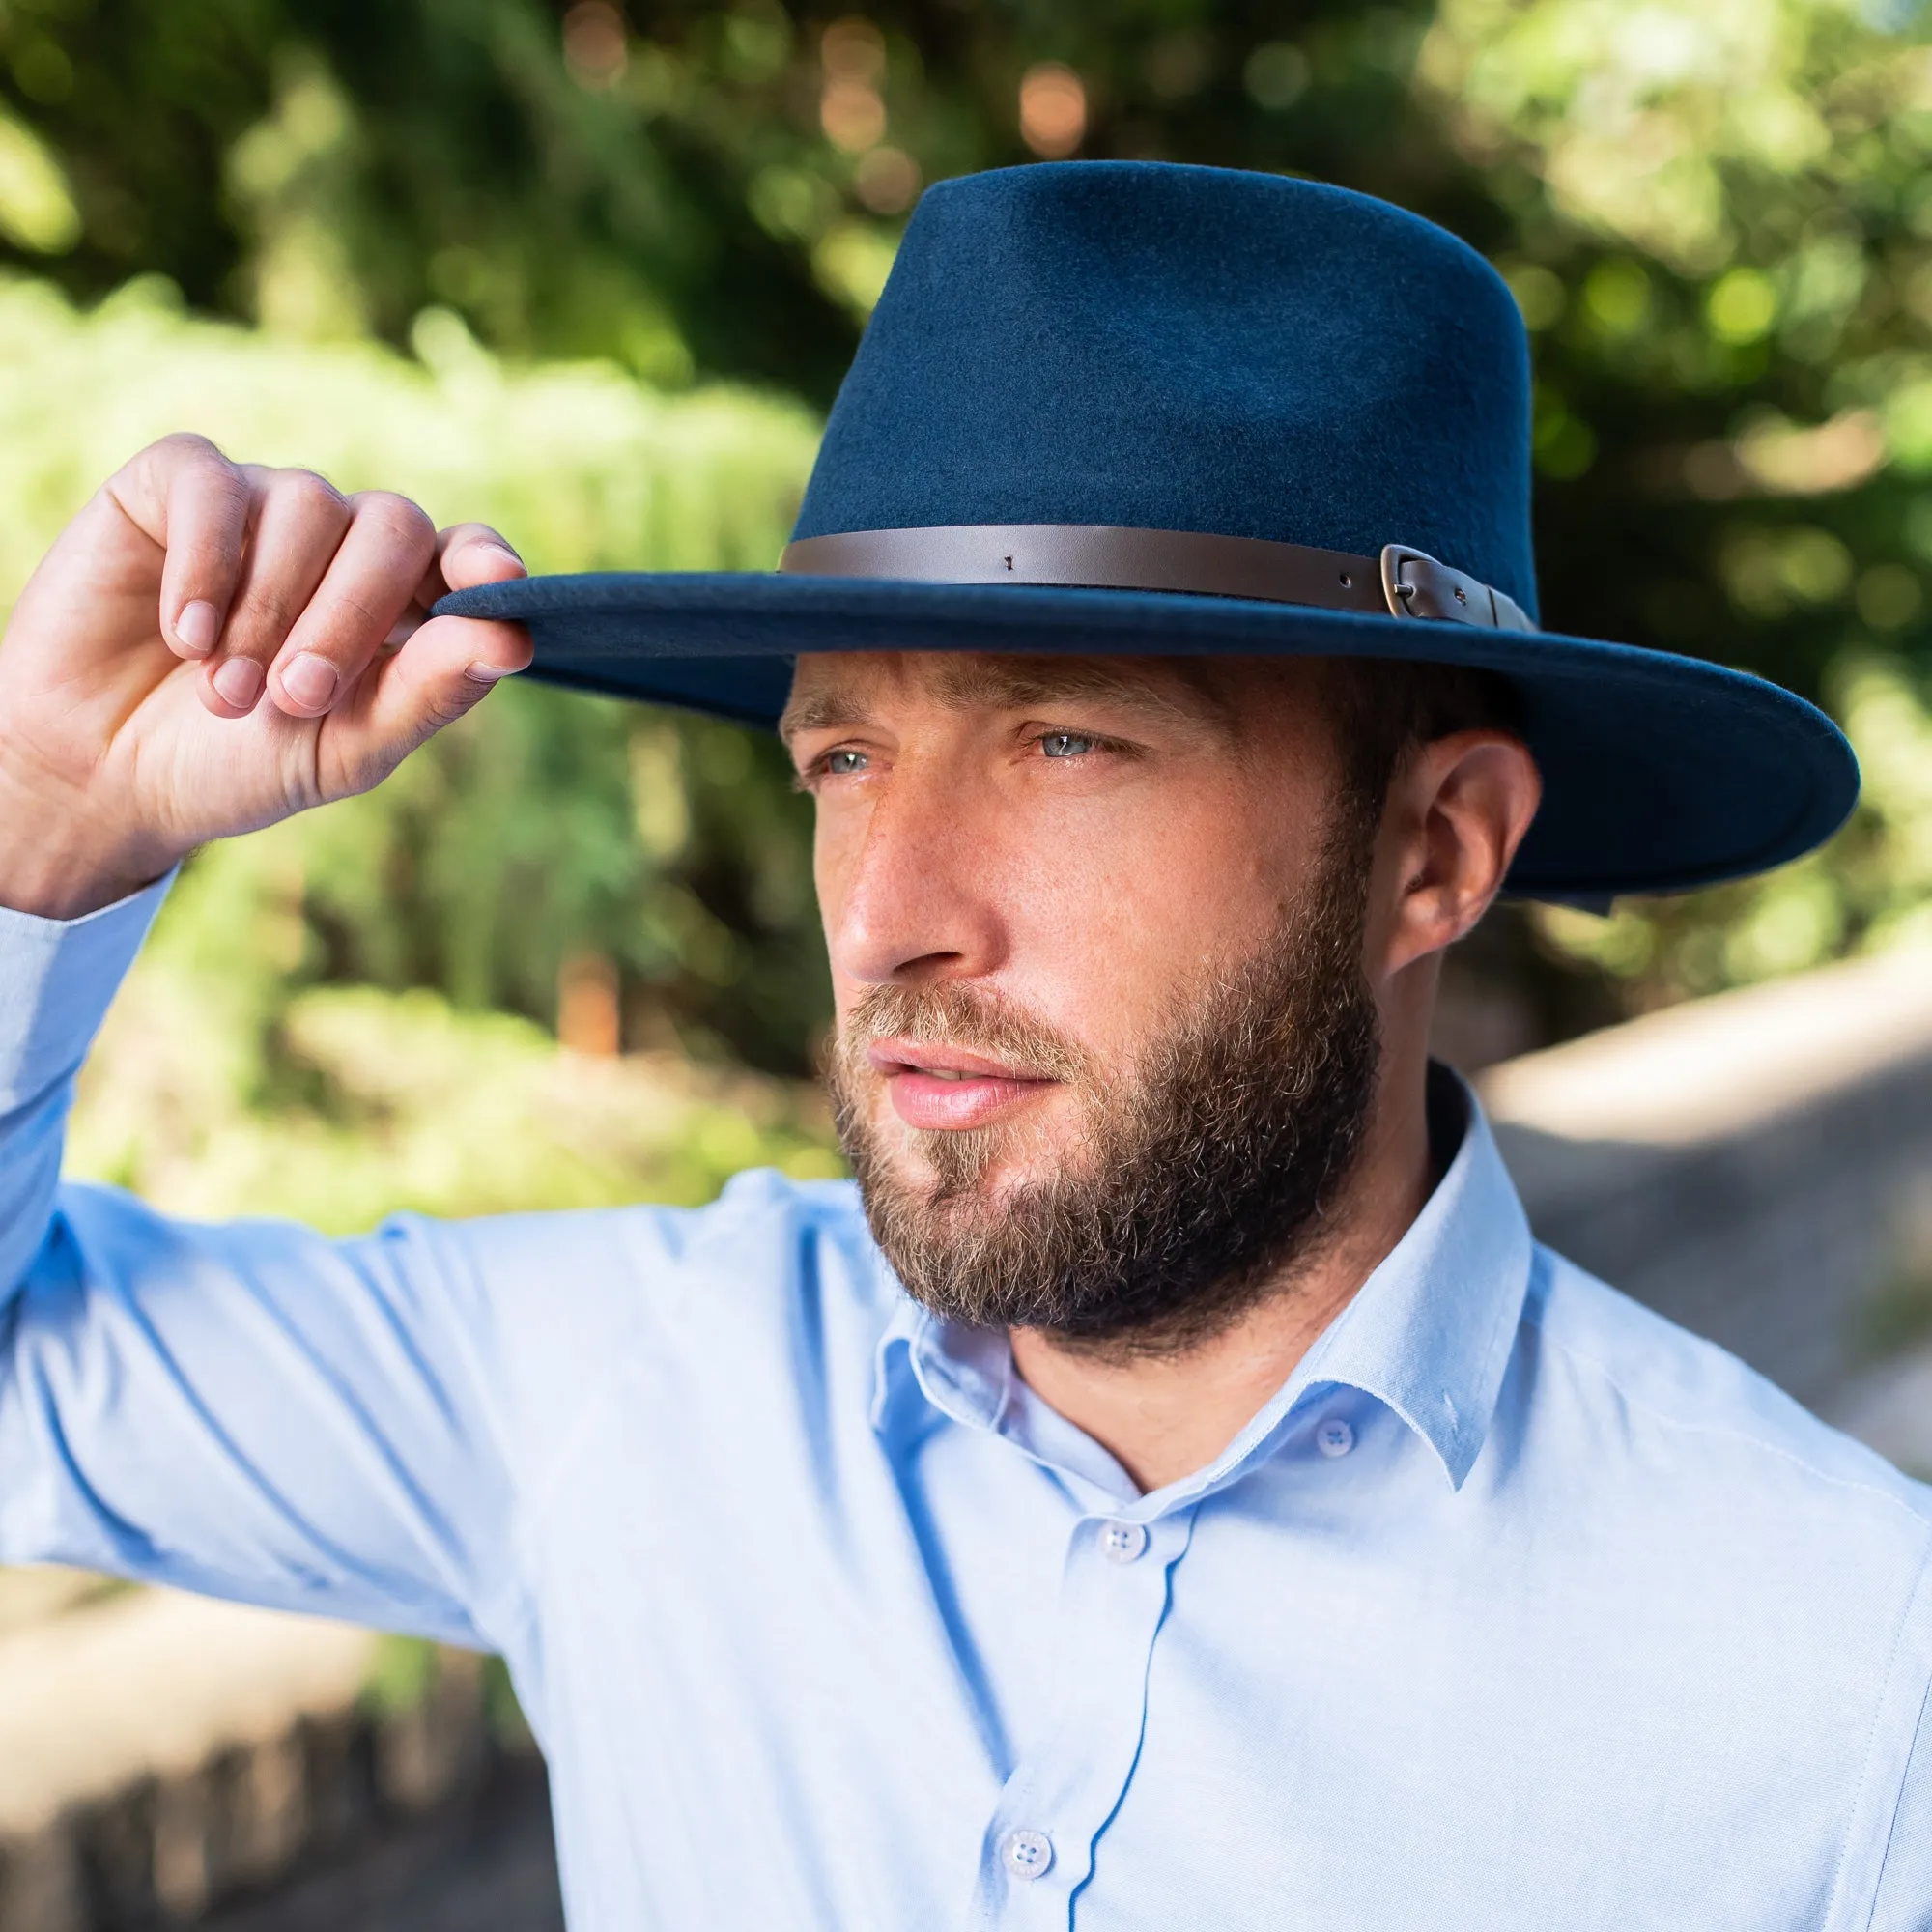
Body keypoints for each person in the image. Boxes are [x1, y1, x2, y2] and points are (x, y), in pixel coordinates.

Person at [0, 161, 1923, 1931]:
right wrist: (38, 834)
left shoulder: (1846, 1691)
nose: (888, 909)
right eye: (841, 754)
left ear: (1430, 853)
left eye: (1063, 741)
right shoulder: (634, 1390)